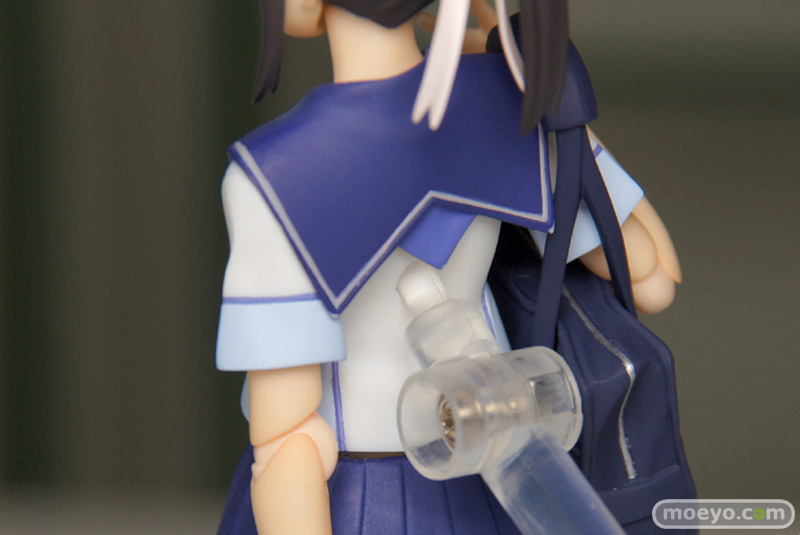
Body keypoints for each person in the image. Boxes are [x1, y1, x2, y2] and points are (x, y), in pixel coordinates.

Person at [215, 1, 684, 533]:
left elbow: (289, 442)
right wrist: (547, 97)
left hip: (360, 496)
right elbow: (651, 278)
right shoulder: (503, 111)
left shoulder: (272, 174)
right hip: (500, 474)